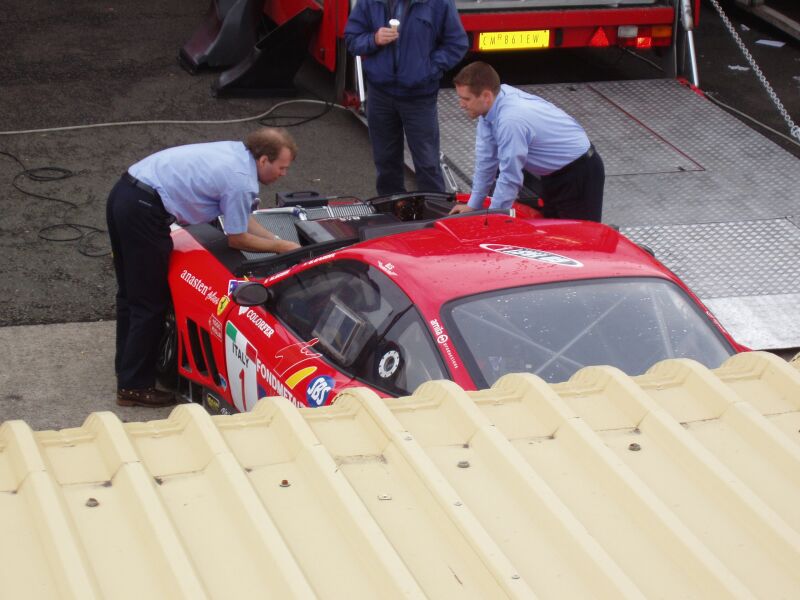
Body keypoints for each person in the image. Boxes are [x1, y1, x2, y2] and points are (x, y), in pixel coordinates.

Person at [106, 127, 300, 408]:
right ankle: (134, 386)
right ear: (263, 161)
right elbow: (237, 238)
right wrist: (282, 248)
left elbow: (241, 216)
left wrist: (278, 240)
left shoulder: (235, 154)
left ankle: (126, 367)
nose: (283, 174)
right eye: (281, 167)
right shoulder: (241, 180)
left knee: (130, 296)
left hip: (124, 193)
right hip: (144, 211)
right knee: (149, 303)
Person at [449, 62, 605, 222]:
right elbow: (486, 161)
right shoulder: (490, 108)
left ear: (486, 96)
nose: (461, 104)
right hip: (554, 175)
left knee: (581, 239)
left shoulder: (510, 120)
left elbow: (510, 176)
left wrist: (494, 218)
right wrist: (473, 206)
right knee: (554, 238)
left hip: (578, 174)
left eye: (466, 99)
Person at [345, 0, 467, 196]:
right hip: (380, 94)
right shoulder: (370, 2)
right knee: (386, 161)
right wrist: (374, 39)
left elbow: (456, 43)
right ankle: (391, 210)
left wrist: (429, 68)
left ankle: (433, 211)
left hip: (419, 97)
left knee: (427, 162)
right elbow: (352, 40)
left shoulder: (439, 3)